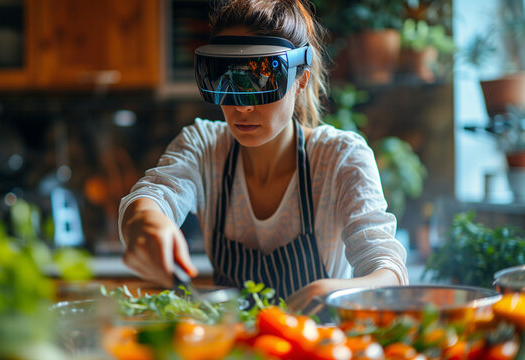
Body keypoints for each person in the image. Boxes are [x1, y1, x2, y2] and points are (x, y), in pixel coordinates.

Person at [118, 0, 408, 312]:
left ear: (301, 80)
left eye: (261, 81)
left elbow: (388, 273)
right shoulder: (204, 146)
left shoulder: (340, 158)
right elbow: (154, 195)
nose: (241, 106)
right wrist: (146, 222)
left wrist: (332, 292)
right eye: (226, 80)